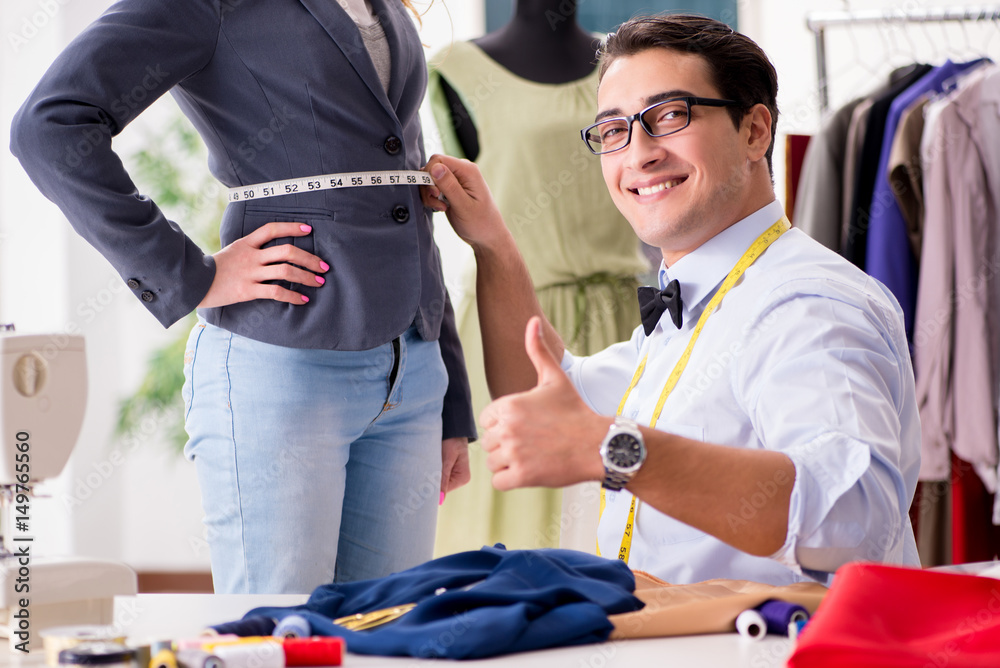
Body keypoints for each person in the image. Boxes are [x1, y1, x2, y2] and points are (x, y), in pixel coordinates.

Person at [421, 13, 920, 586]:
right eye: (614, 131)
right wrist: (492, 242)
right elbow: (540, 394)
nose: (639, 154)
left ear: (755, 131)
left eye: (669, 116)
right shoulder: (691, 305)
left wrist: (615, 450)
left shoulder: (807, 304)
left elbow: (852, 518)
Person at [10, 0, 475, 594]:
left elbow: (403, 191)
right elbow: (48, 126)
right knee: (276, 638)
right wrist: (188, 273)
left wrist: (449, 399)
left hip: (412, 370)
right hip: (284, 362)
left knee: (387, 635)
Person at [426, 0, 647, 555]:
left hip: (626, 320)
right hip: (512, 319)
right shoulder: (456, 69)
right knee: (515, 529)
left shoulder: (626, 66)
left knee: (630, 511)